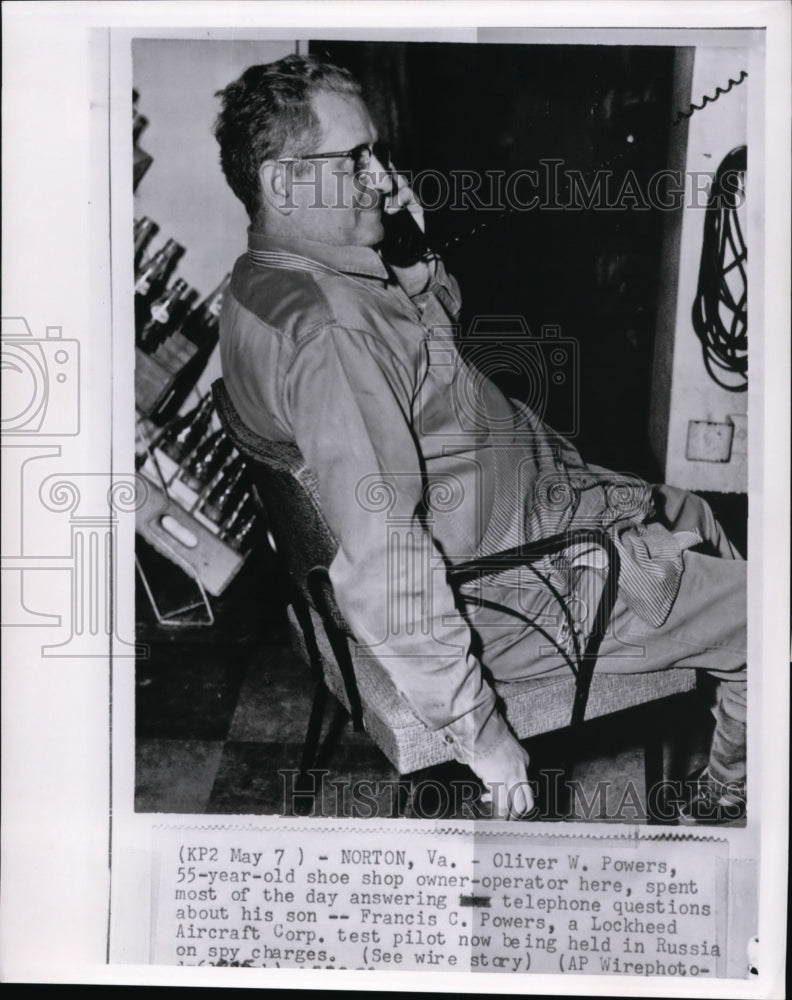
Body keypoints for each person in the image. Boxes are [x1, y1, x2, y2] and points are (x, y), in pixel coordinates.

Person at [213, 54, 746, 823]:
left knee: (694, 515)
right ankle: (729, 787)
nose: (380, 175)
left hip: (524, 519)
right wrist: (484, 736)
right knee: (770, 615)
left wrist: (408, 259)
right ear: (285, 182)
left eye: (377, 152)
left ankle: (725, 730)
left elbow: (419, 365)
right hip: (520, 590)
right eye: (355, 158)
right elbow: (387, 557)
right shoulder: (330, 334)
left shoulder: (268, 282)